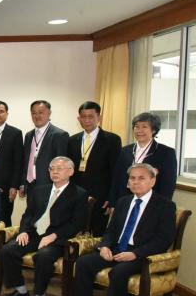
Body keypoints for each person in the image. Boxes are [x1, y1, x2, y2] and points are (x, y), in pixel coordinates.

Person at [66, 163, 176, 296]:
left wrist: (136, 254)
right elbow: (111, 231)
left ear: (152, 181)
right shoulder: (123, 202)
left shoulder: (165, 206)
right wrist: (104, 246)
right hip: (117, 249)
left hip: (142, 254)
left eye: (141, 178)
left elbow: (164, 240)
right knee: (84, 263)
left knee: (118, 273)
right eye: (132, 178)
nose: (136, 182)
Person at [0, 156, 88, 296]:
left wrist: (54, 236)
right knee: (8, 250)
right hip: (34, 233)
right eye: (52, 169)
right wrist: (23, 231)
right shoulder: (39, 190)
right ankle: (21, 291)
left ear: (71, 171)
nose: (55, 172)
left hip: (57, 238)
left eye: (59, 169)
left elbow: (76, 224)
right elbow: (28, 215)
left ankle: (40, 295)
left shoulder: (79, 194)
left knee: (44, 256)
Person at [67, 101, 121, 236]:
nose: (87, 120)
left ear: (99, 118)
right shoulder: (72, 140)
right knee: (74, 233)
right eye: (83, 117)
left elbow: (116, 172)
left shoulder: (112, 140)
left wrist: (112, 198)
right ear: (78, 118)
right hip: (76, 195)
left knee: (97, 235)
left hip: (101, 197)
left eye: (91, 116)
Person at [109, 112, 177, 206]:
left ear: (153, 130)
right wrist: (113, 202)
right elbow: (117, 178)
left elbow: (168, 185)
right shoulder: (125, 150)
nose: (139, 130)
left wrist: (160, 207)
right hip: (124, 200)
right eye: (136, 126)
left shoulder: (166, 153)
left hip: (150, 203)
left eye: (144, 127)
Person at [20, 101, 69, 197]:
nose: (37, 116)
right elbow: (25, 162)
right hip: (30, 186)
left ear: (49, 113)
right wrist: (23, 183)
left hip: (49, 186)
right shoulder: (28, 135)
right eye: (34, 113)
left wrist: (59, 187)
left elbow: (61, 164)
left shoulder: (59, 135)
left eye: (41, 112)